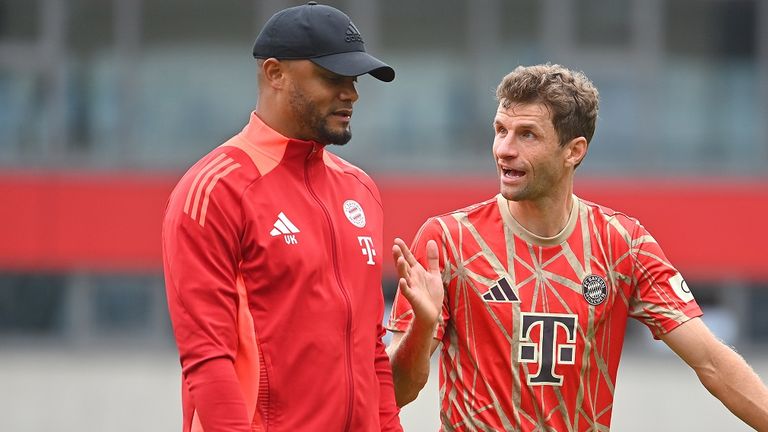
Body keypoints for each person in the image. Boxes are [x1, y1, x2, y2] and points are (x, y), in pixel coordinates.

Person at [386, 63, 768, 431]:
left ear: (574, 151)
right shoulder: (445, 241)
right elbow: (397, 393)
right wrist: (422, 326)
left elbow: (712, 363)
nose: (504, 149)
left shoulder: (623, 243)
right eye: (500, 130)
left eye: (527, 134)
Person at [161, 3, 402, 431]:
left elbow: (372, 351)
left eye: (355, 79)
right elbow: (207, 358)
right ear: (275, 73)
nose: (351, 93)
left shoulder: (361, 190)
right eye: (333, 77)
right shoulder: (216, 189)